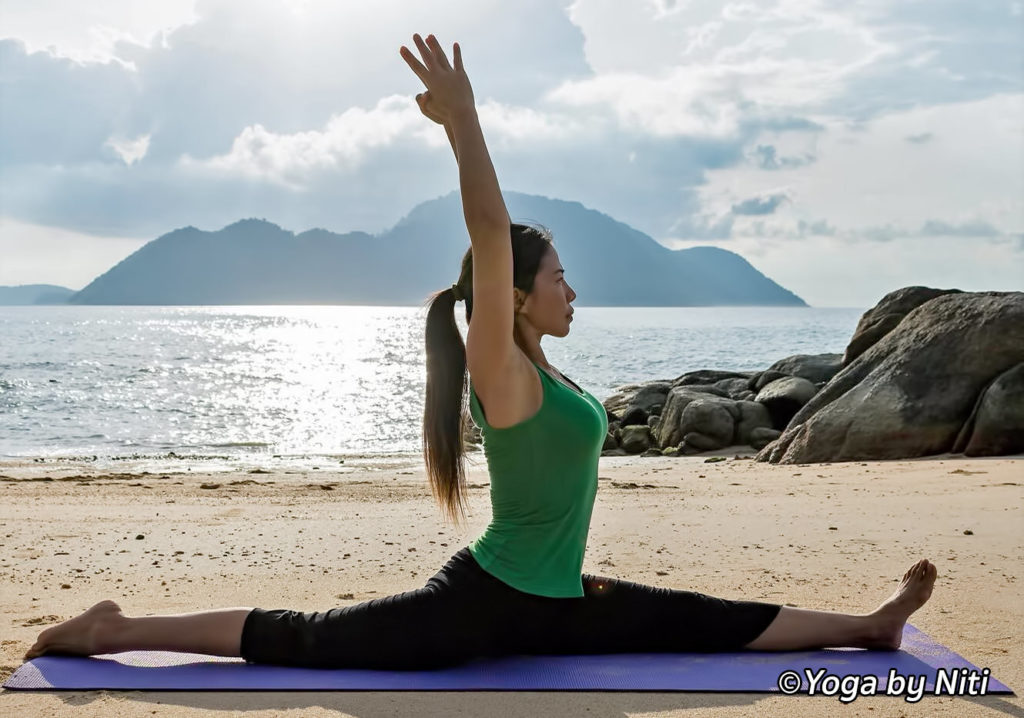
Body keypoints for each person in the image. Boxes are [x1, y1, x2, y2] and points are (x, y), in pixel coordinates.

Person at [25, 33, 937, 670]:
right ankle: (116, 627)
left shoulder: (541, 371)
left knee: (696, 616)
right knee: (312, 636)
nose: (573, 292)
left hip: (556, 601)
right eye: (561, 280)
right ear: (517, 296)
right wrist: (465, 125)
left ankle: (871, 627)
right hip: (486, 603)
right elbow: (491, 230)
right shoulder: (497, 368)